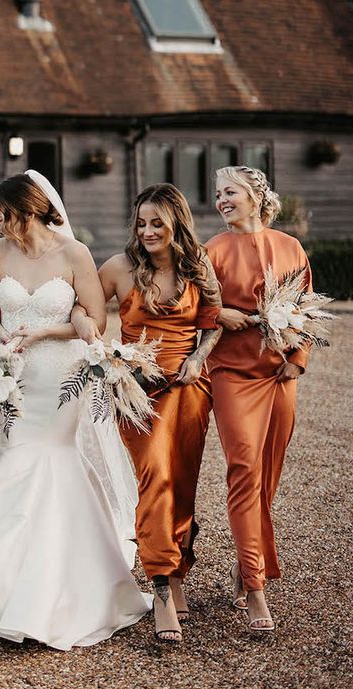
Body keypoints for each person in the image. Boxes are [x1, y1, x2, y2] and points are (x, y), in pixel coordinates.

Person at [0, 171, 151, 651]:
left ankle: (51, 589)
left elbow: (94, 320)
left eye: (3, 211)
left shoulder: (74, 254)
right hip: (10, 374)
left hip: (59, 376)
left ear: (27, 211)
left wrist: (44, 334)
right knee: (9, 455)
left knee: (51, 458)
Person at [98, 183, 221, 642]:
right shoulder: (117, 268)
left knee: (183, 480)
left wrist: (197, 357)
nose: (148, 231)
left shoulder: (197, 265)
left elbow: (213, 320)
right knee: (155, 477)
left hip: (190, 387)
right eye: (142, 223)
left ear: (176, 226)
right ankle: (160, 586)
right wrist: (109, 356)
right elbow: (86, 312)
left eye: (158, 224)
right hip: (138, 391)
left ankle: (178, 572)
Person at [206, 165, 312, 633]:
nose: (221, 200)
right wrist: (219, 312)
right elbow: (194, 305)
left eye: (229, 192)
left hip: (280, 375)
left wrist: (299, 358)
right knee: (244, 470)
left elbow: (307, 307)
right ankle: (255, 587)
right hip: (231, 374)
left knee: (267, 477)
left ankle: (245, 560)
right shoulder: (211, 250)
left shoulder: (291, 247)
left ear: (254, 195)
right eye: (217, 194)